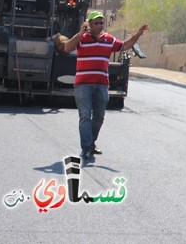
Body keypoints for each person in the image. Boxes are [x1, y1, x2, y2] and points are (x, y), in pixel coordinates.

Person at [64, 10, 149, 160]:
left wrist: (138, 35)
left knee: (99, 117)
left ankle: (91, 143)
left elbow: (124, 45)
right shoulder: (82, 39)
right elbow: (67, 48)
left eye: (101, 22)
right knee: (84, 116)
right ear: (89, 25)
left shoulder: (108, 40)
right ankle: (86, 148)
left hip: (102, 84)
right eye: (96, 23)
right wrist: (79, 33)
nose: (99, 25)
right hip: (83, 85)